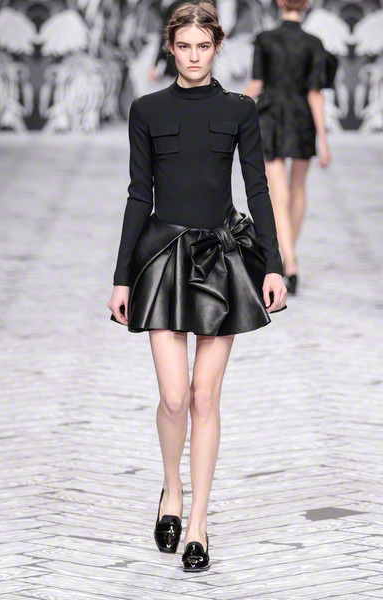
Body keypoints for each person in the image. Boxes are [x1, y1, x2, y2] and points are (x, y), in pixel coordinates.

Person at [107, 0, 287, 572]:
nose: (192, 56)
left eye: (202, 46)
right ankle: (171, 489)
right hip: (161, 258)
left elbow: (257, 190)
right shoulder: (146, 110)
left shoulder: (239, 110)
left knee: (205, 396)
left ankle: (199, 525)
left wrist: (274, 265)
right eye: (183, 46)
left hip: (219, 260)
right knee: (174, 396)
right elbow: (139, 194)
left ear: (216, 46)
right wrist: (120, 278)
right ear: (170, 47)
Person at [244, 0, 338, 294]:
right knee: (297, 189)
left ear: (279, 3)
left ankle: (289, 261)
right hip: (301, 119)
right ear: (306, 4)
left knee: (278, 193)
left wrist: (229, 109)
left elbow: (256, 85)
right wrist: (323, 140)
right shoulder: (314, 43)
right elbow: (315, 94)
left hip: (270, 117)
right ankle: (289, 256)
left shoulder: (265, 39)